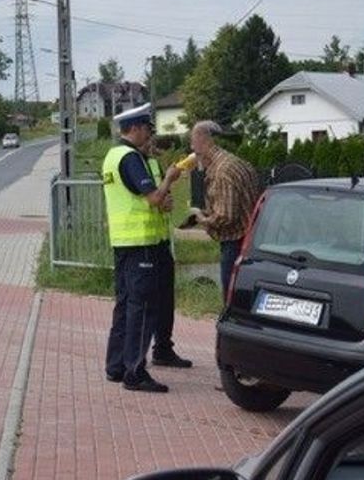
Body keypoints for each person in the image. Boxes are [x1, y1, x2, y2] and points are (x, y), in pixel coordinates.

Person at [103, 105, 183, 393]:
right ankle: (135, 371)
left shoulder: (113, 155)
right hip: (142, 245)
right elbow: (153, 198)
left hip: (124, 244)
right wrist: (170, 178)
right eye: (148, 128)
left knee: (125, 306)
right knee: (142, 307)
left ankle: (116, 366)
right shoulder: (131, 158)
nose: (150, 133)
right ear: (135, 128)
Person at [188, 120, 264, 298]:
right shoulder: (237, 162)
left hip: (235, 243)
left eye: (192, 142)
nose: (192, 148)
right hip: (253, 239)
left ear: (204, 141)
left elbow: (226, 216)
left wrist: (201, 219)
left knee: (231, 299)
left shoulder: (222, 171)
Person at [142, 134, 193, 370]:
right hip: (142, 242)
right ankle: (137, 353)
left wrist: (167, 199)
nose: (152, 147)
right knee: (145, 301)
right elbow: (148, 198)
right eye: (148, 142)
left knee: (165, 299)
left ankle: (163, 348)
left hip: (161, 238)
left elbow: (162, 197)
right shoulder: (132, 163)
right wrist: (165, 188)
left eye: (152, 142)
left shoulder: (153, 164)